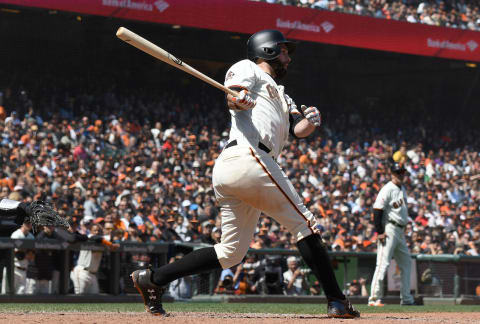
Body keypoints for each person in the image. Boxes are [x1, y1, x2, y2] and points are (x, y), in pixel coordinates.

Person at [130, 29, 359, 318]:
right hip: (249, 155)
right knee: (305, 226)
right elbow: (234, 97)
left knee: (231, 253)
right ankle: (337, 300)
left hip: (237, 167)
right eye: (284, 51)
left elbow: (297, 130)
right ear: (268, 50)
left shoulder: (282, 94)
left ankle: (153, 279)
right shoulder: (247, 67)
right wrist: (240, 99)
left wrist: (311, 122)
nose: (289, 58)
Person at [368, 161, 416, 306]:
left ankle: (406, 298)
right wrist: (380, 231)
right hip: (388, 229)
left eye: (402, 172)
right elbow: (377, 210)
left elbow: (401, 211)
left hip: (400, 231)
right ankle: (374, 298)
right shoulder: (387, 189)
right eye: (398, 172)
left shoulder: (402, 188)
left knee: (406, 263)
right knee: (383, 263)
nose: (401, 174)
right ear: (392, 173)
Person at [70, 224, 120, 294]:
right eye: (95, 230)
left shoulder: (103, 241)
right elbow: (96, 238)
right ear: (90, 231)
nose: (97, 232)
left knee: (95, 298)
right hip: (82, 271)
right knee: (79, 296)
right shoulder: (89, 237)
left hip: (93, 274)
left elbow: (116, 242)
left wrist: (115, 241)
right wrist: (111, 245)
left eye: (99, 231)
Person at [1, 220, 34, 294]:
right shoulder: (16, 234)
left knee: (21, 295)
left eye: (30, 223)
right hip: (13, 269)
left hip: (24, 269)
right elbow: (15, 253)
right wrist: (25, 251)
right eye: (27, 223)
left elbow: (31, 255)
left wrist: (25, 251)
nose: (29, 225)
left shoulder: (31, 237)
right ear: (22, 224)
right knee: (7, 293)